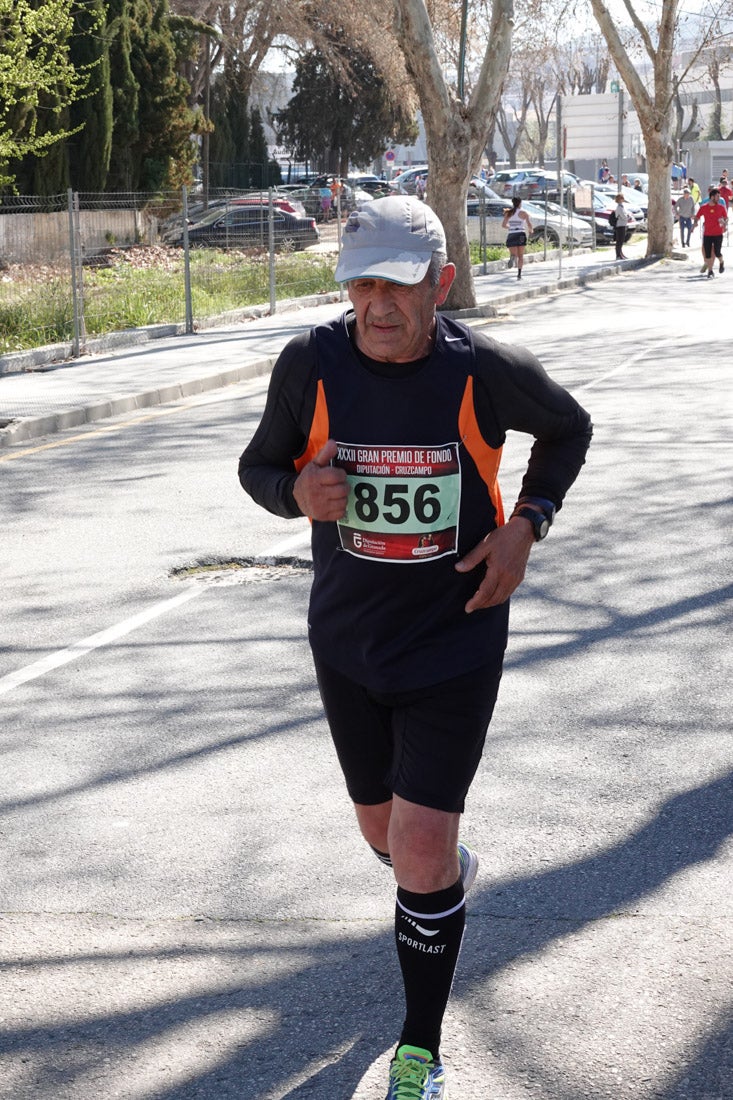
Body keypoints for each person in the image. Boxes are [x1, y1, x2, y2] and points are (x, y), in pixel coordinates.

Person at [238, 195, 592, 1100]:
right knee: (384, 834)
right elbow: (258, 466)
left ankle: (418, 1052)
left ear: (439, 284)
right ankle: (435, 882)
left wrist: (525, 525)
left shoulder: (484, 372)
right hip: (348, 639)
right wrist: (294, 495)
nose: (375, 306)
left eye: (395, 285)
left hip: (455, 635)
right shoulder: (309, 364)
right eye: (359, 283)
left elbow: (568, 429)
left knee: (422, 845)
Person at [693, 187, 727, 277]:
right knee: (707, 254)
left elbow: (726, 218)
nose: (719, 198)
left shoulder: (721, 207)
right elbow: (697, 217)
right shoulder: (704, 207)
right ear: (712, 197)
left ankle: (721, 262)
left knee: (717, 252)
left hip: (718, 234)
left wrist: (724, 223)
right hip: (707, 234)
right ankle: (710, 271)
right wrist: (695, 223)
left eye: (719, 196)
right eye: (717, 196)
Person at [502, 195, 533, 279]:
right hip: (521, 234)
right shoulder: (524, 213)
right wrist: (531, 230)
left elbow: (504, 225)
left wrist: (511, 227)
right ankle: (519, 275)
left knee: (514, 253)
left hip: (512, 234)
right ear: (520, 203)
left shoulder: (508, 213)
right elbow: (529, 224)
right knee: (521, 256)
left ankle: (512, 257)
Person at [612, 193, 629, 259]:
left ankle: (621, 254)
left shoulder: (621, 206)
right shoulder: (619, 207)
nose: (623, 199)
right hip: (620, 225)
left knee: (621, 240)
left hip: (623, 224)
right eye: (622, 198)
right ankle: (618, 255)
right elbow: (623, 216)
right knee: (619, 241)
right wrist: (627, 217)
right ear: (619, 199)